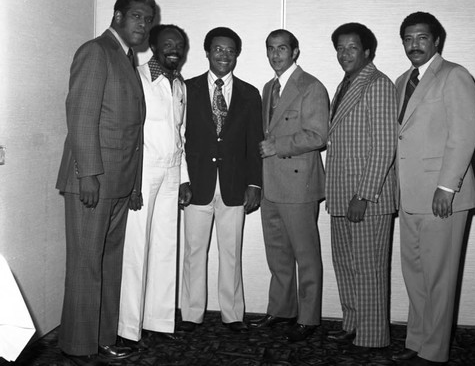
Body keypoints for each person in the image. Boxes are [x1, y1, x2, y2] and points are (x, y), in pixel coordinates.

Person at [56, 0, 156, 366]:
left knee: (109, 263)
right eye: (136, 16)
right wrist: (89, 175)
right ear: (117, 16)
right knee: (86, 264)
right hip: (91, 182)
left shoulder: (126, 60)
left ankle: (102, 338)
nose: (143, 25)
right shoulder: (95, 52)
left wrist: (132, 185)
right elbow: (81, 118)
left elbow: (132, 129)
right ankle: (78, 346)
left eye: (148, 19)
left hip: (117, 183)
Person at [392, 12, 475, 365]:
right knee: (414, 274)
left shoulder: (455, 76)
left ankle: (434, 352)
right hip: (409, 195)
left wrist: (447, 186)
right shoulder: (401, 80)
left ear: (436, 41)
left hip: (443, 196)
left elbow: (463, 135)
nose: (414, 45)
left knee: (439, 279)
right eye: (408, 39)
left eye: (421, 38)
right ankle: (417, 342)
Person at [180, 27, 263, 333]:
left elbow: (255, 142)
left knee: (231, 251)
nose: (224, 55)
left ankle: (232, 315)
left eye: (230, 50)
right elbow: (179, 139)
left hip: (235, 185)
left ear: (237, 54)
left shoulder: (250, 94)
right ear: (207, 52)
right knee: (194, 252)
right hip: (196, 184)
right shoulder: (187, 89)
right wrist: (181, 179)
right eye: (218, 49)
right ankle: (191, 314)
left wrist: (254, 184)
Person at [117, 24, 192, 350]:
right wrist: (133, 183)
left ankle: (158, 321)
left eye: (179, 45)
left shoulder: (180, 85)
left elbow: (181, 134)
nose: (174, 49)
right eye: (168, 44)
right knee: (136, 250)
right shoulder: (137, 77)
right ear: (154, 45)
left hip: (172, 170)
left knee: (165, 247)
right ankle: (127, 327)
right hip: (144, 173)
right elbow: (130, 134)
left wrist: (185, 177)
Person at [252, 29, 329, 343]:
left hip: (298, 184)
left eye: (282, 48)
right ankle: (281, 309)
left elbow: (318, 135)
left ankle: (309, 318)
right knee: (277, 253)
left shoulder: (310, 87)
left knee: (305, 254)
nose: (275, 54)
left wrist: (278, 145)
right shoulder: (268, 87)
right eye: (270, 48)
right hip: (271, 182)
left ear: (295, 52)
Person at [325, 23, 397, 350]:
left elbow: (384, 145)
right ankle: (352, 323)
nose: (344, 54)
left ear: (367, 51)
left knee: (368, 270)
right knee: (345, 266)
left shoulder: (378, 84)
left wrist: (364, 195)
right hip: (341, 194)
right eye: (340, 48)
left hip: (367, 198)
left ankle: (372, 337)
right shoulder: (345, 84)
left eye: (352, 47)